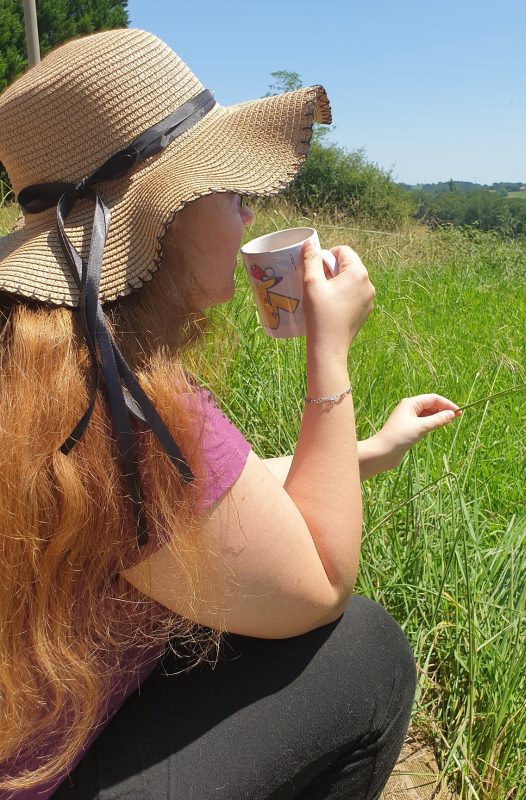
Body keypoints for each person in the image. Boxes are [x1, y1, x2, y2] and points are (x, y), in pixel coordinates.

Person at [0, 28, 459, 800]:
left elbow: (202, 507)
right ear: (165, 217)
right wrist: (330, 356)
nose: (247, 219)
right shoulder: (124, 400)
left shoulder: (37, 355)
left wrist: (369, 452)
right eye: (232, 193)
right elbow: (319, 583)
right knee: (361, 651)